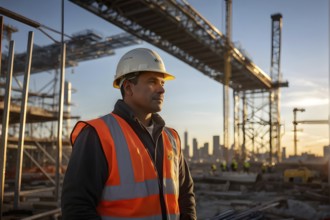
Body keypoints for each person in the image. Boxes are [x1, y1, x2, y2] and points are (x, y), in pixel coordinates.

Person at [61, 48, 196, 220]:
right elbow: (76, 208)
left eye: (162, 83)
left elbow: (186, 195)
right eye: (152, 82)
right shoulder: (97, 134)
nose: (161, 90)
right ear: (128, 87)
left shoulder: (171, 138)